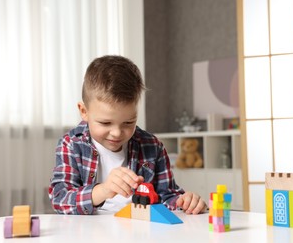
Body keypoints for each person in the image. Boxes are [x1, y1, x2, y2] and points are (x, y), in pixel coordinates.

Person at [49, 55, 207, 215]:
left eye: (128, 122)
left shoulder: (152, 146)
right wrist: (103, 190)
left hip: (141, 231)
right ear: (84, 111)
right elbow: (60, 199)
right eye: (105, 123)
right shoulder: (71, 144)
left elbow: (166, 195)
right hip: (90, 233)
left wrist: (184, 202)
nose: (117, 133)